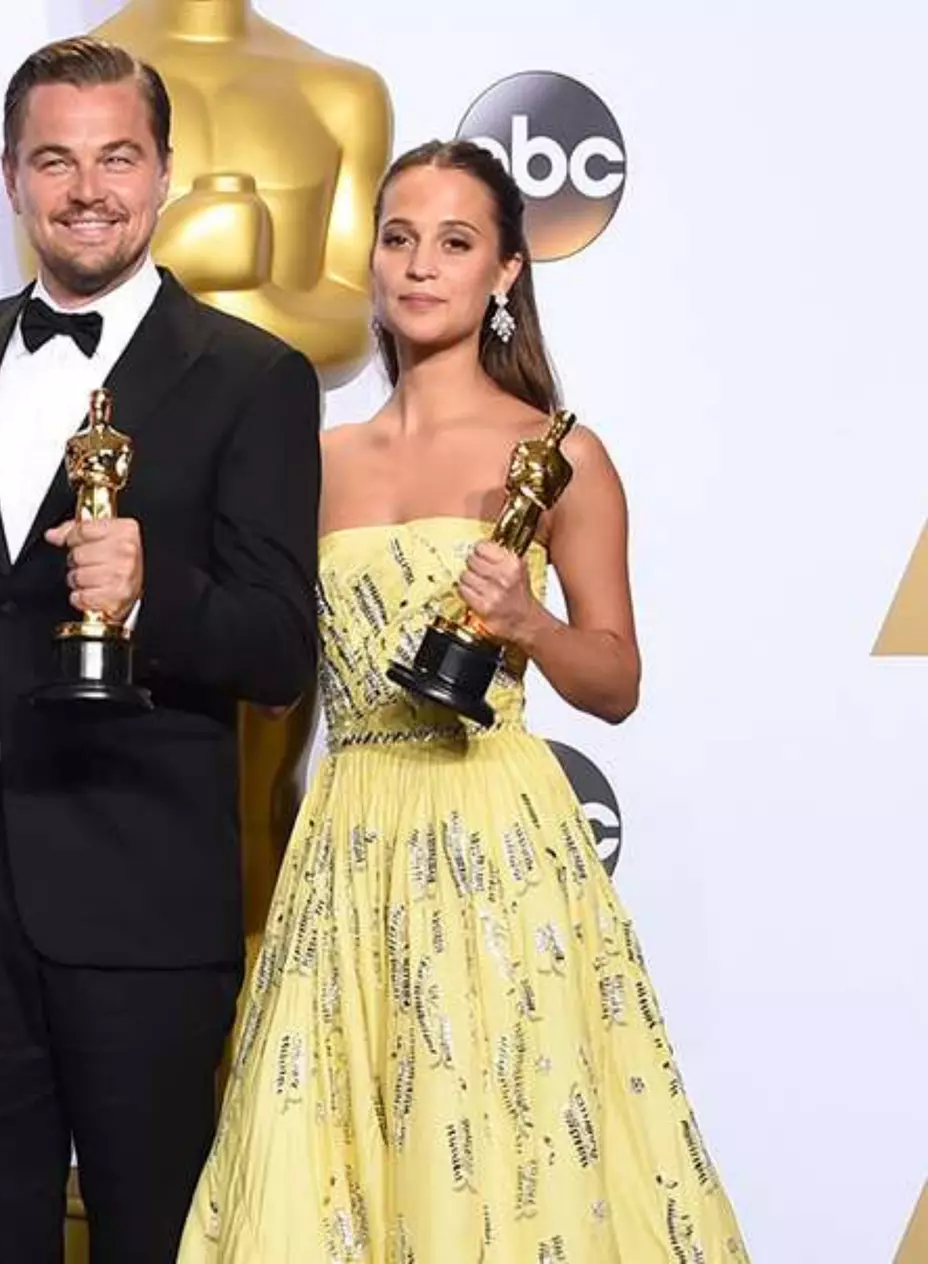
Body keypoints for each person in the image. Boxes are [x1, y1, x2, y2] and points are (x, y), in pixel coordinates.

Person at [178, 139, 747, 1261]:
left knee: (500, 1147)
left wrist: (529, 625)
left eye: (452, 242)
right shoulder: (316, 454)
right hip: (342, 836)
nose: (418, 265)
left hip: (492, 830)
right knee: (328, 1158)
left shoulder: (557, 451)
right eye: (397, 239)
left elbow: (617, 680)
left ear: (503, 274)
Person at [0, 37, 323, 1263]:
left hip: (140, 891)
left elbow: (279, 647)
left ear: (165, 174)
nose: (84, 188)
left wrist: (156, 593)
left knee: (151, 1231)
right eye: (54, 159)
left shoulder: (253, 376)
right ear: (10, 177)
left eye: (114, 158)